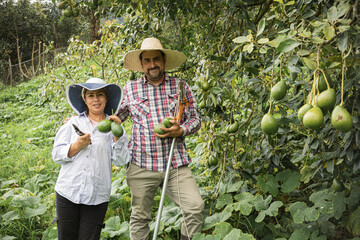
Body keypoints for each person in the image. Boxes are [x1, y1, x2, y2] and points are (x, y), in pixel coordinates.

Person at [118, 37, 204, 240]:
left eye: (156, 59)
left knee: (195, 208)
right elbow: (118, 117)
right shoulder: (130, 88)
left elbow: (195, 119)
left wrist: (180, 130)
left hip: (175, 163)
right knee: (139, 217)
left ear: (164, 60)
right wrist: (88, 117)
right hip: (141, 164)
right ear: (141, 64)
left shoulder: (180, 86)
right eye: (147, 60)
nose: (152, 64)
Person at [52, 78, 129, 240]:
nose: (96, 99)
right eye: (91, 95)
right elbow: (56, 155)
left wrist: (117, 136)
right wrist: (76, 146)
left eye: (100, 94)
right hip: (68, 192)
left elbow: (121, 161)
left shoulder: (114, 127)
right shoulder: (72, 123)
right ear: (85, 100)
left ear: (106, 98)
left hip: (97, 195)